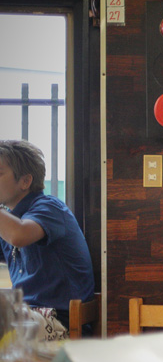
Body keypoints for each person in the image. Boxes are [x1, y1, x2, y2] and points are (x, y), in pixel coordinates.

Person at [0, 140, 95, 338]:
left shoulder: (49, 207)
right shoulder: (9, 220)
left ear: (25, 181)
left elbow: (19, 235)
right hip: (25, 318)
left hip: (59, 322)